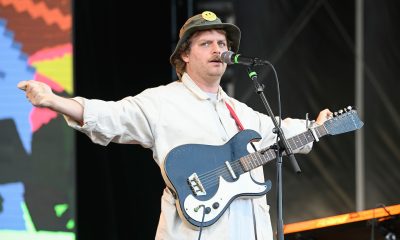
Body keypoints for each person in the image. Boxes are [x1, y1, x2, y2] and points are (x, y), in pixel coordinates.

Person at [18, 11, 332, 240]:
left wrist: (317, 126)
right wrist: (54, 101)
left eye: (221, 43)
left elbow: (280, 132)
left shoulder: (242, 112)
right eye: (206, 43)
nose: (218, 50)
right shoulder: (162, 102)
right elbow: (111, 116)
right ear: (184, 54)